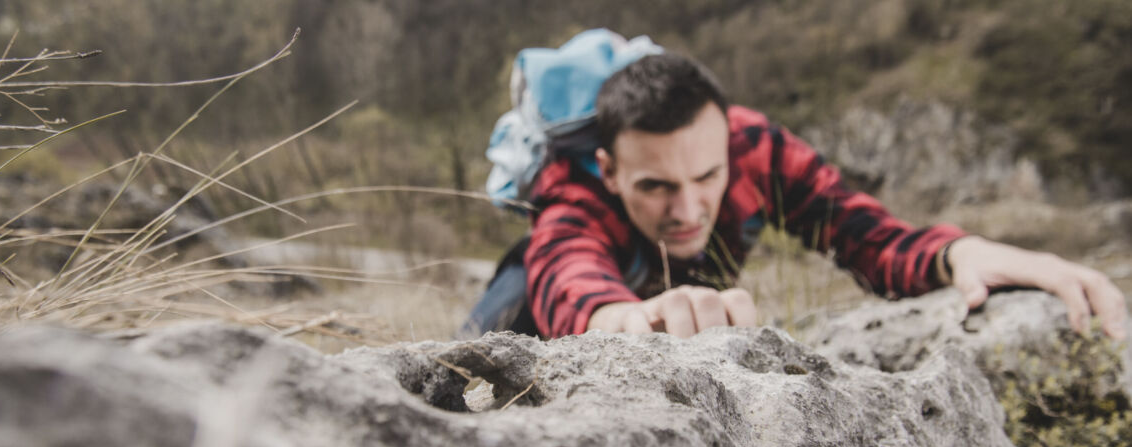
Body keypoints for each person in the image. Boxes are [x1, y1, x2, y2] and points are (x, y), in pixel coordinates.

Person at [461, 51, 1127, 341]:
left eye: (707, 178)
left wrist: (962, 253)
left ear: (730, 143)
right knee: (488, 329)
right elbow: (566, 273)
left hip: (695, 297)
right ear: (608, 170)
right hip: (567, 292)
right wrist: (616, 319)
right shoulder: (574, 185)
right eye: (656, 186)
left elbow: (868, 238)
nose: (689, 211)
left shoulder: (761, 149)